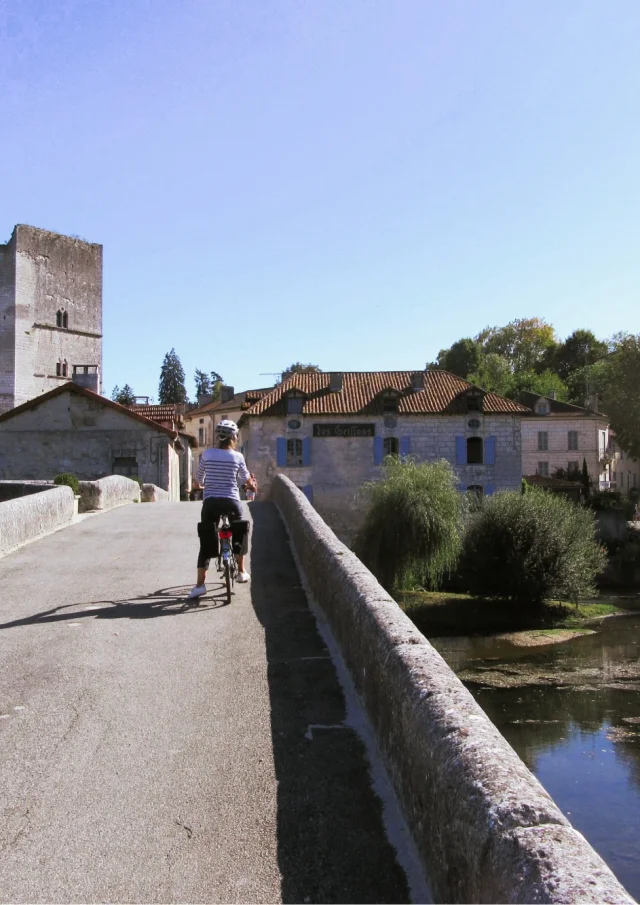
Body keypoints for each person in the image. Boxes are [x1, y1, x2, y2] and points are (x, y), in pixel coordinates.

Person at [188, 419, 257, 599]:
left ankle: (200, 585)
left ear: (218, 437)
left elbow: (198, 479)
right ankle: (241, 571)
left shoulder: (207, 454)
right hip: (232, 501)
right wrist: (251, 486)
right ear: (234, 437)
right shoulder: (238, 457)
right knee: (239, 532)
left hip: (211, 502)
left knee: (206, 540)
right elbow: (246, 479)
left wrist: (198, 486)